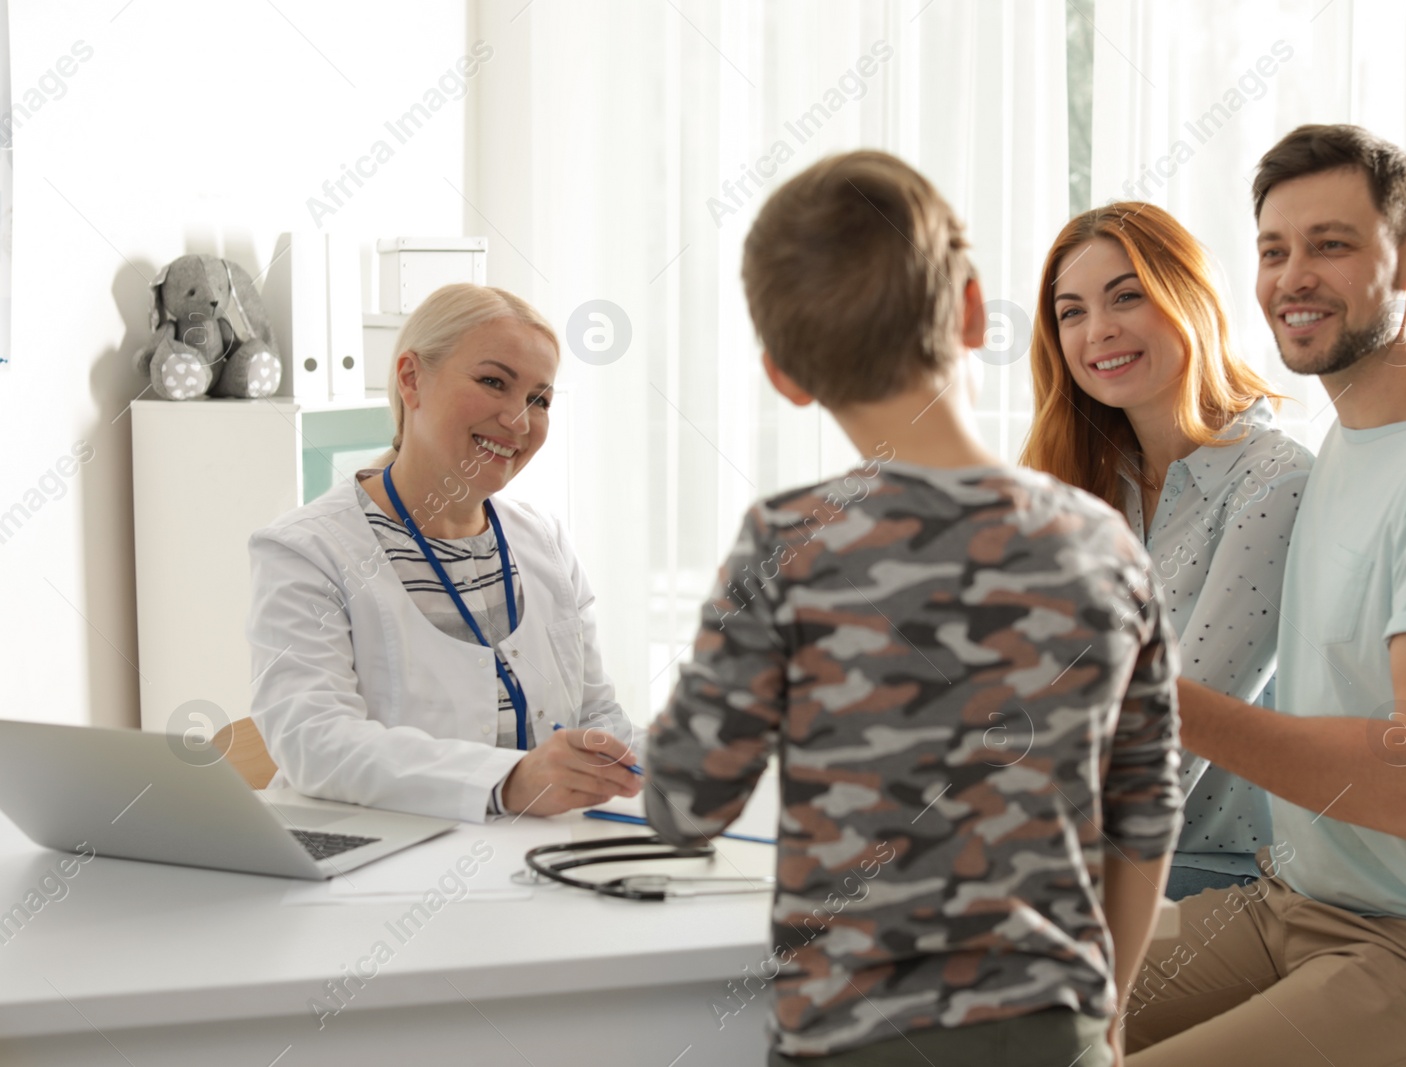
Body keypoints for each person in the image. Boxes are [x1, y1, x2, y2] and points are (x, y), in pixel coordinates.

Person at [644, 149, 1183, 1067]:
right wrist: (1108, 1020)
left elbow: (683, 805)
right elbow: (1145, 814)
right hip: (1059, 1037)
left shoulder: (787, 542)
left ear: (785, 374)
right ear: (974, 309)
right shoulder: (1104, 544)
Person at [1124, 125, 1406, 1066]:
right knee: (987, 1021)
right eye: (1273, 250)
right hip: (1295, 907)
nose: (1294, 277)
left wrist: (1151, 697)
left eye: (1331, 245)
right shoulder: (1351, 437)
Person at [246, 283, 641, 822]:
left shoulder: (543, 542)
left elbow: (596, 716)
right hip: (373, 873)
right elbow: (315, 742)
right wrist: (508, 782)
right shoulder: (307, 551)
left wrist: (695, 748)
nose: (518, 421)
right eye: (493, 382)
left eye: (539, 399)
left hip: (528, 859)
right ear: (412, 379)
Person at [1020, 201, 1313, 902]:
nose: (1099, 331)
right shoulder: (1086, 487)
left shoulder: (1276, 482)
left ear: (1191, 299)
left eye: (1127, 296)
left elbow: (1174, 742)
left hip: (1221, 879)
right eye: (1072, 312)